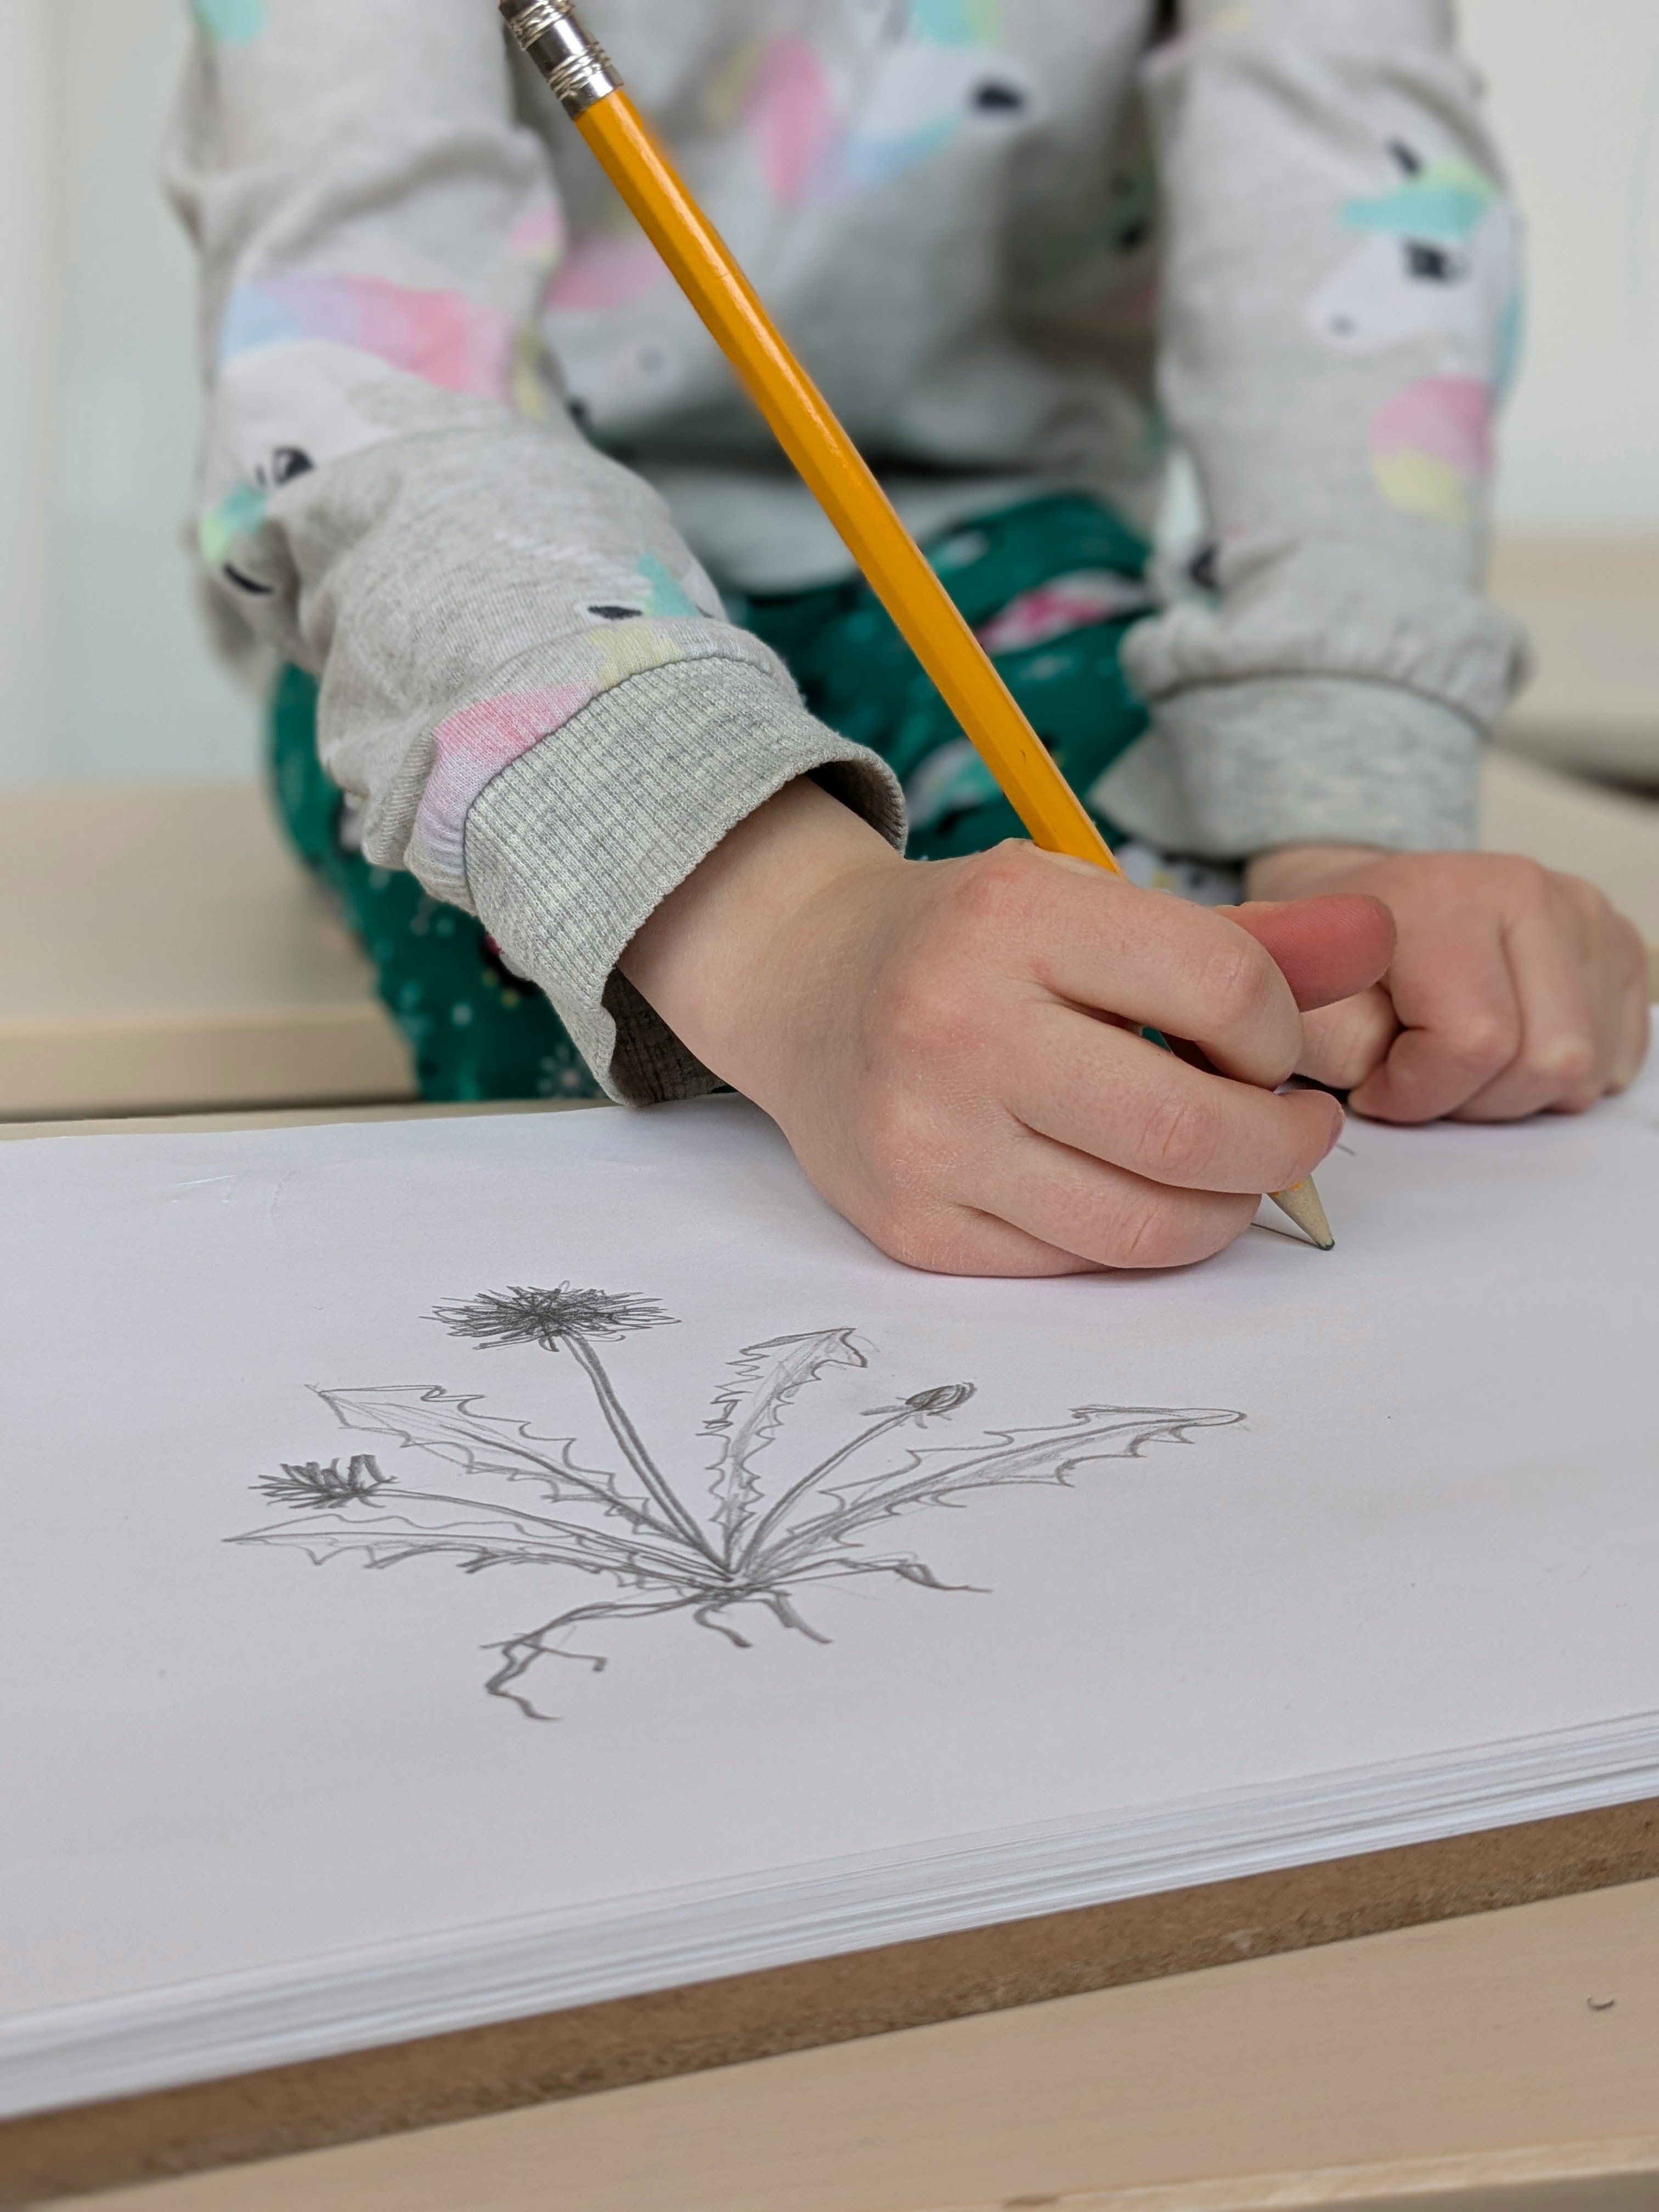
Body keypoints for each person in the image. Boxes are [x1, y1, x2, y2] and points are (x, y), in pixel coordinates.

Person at [166, 0, 1650, 1277]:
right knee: (598, 1016)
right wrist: (790, 935)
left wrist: (1342, 809)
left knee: (1181, 994)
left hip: (998, 558)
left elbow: (1345, 194)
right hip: (484, 608)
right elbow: (362, 350)